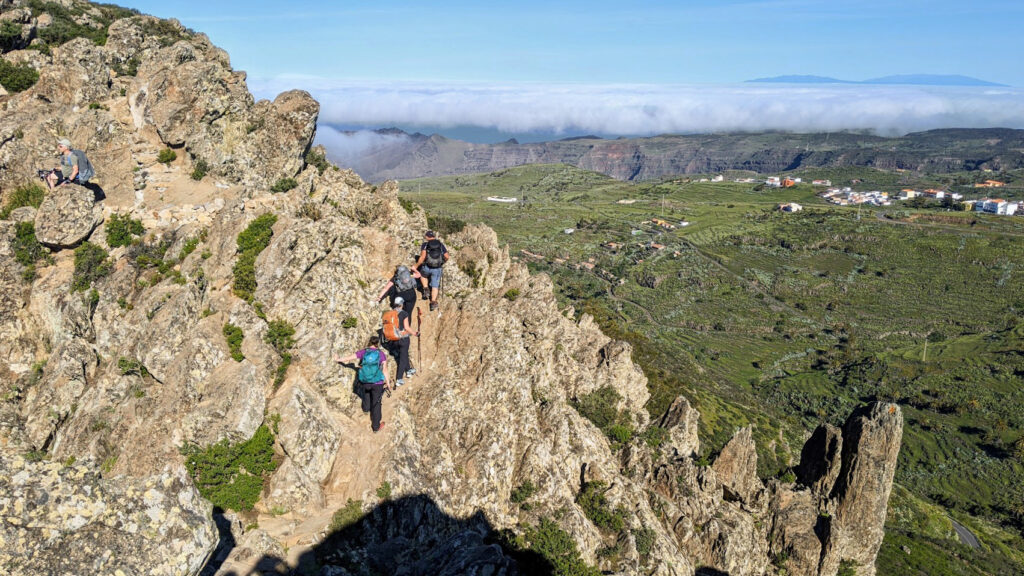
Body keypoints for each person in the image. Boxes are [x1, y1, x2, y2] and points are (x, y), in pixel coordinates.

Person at [334, 336, 390, 432]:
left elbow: (350, 358)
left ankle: (366, 409)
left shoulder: (364, 352)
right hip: (377, 383)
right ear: (377, 344)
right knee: (376, 404)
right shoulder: (381, 354)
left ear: (369, 342)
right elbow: (385, 370)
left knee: (367, 393)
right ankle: (376, 427)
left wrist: (338, 359)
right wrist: (388, 382)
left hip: (365, 381)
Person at [381, 296, 418, 386]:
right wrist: (415, 333)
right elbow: (407, 327)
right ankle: (399, 378)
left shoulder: (389, 313)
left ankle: (408, 370)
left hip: (394, 339)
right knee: (403, 358)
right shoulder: (404, 314)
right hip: (403, 338)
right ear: (402, 304)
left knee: (404, 354)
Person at [415, 230, 449, 311]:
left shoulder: (425, 245)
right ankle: (433, 302)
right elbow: (447, 256)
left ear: (427, 237)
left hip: (427, 266)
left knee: (423, 276)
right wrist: (442, 262)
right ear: (434, 236)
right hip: (437, 268)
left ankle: (426, 289)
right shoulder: (440, 245)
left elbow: (422, 257)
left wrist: (416, 266)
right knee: (435, 286)